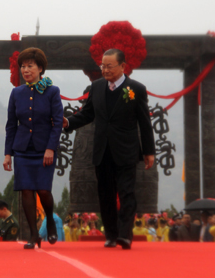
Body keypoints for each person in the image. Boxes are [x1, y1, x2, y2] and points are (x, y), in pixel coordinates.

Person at [63, 48, 155, 250]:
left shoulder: (136, 89)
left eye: (109, 66)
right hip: (102, 151)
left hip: (126, 151)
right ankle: (111, 235)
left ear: (123, 66)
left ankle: (125, 235)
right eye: (102, 66)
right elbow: (87, 114)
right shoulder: (95, 88)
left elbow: (145, 122)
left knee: (127, 193)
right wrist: (67, 123)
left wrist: (149, 151)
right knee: (105, 195)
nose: (105, 70)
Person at [3, 48, 63, 249]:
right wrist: (7, 154)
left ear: (40, 68)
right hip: (22, 150)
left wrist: (50, 148)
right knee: (26, 191)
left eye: (30, 66)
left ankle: (51, 222)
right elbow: (11, 125)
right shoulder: (16, 92)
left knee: (44, 191)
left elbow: (57, 123)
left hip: (44, 149)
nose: (25, 70)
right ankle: (33, 234)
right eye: (23, 66)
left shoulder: (52, 91)